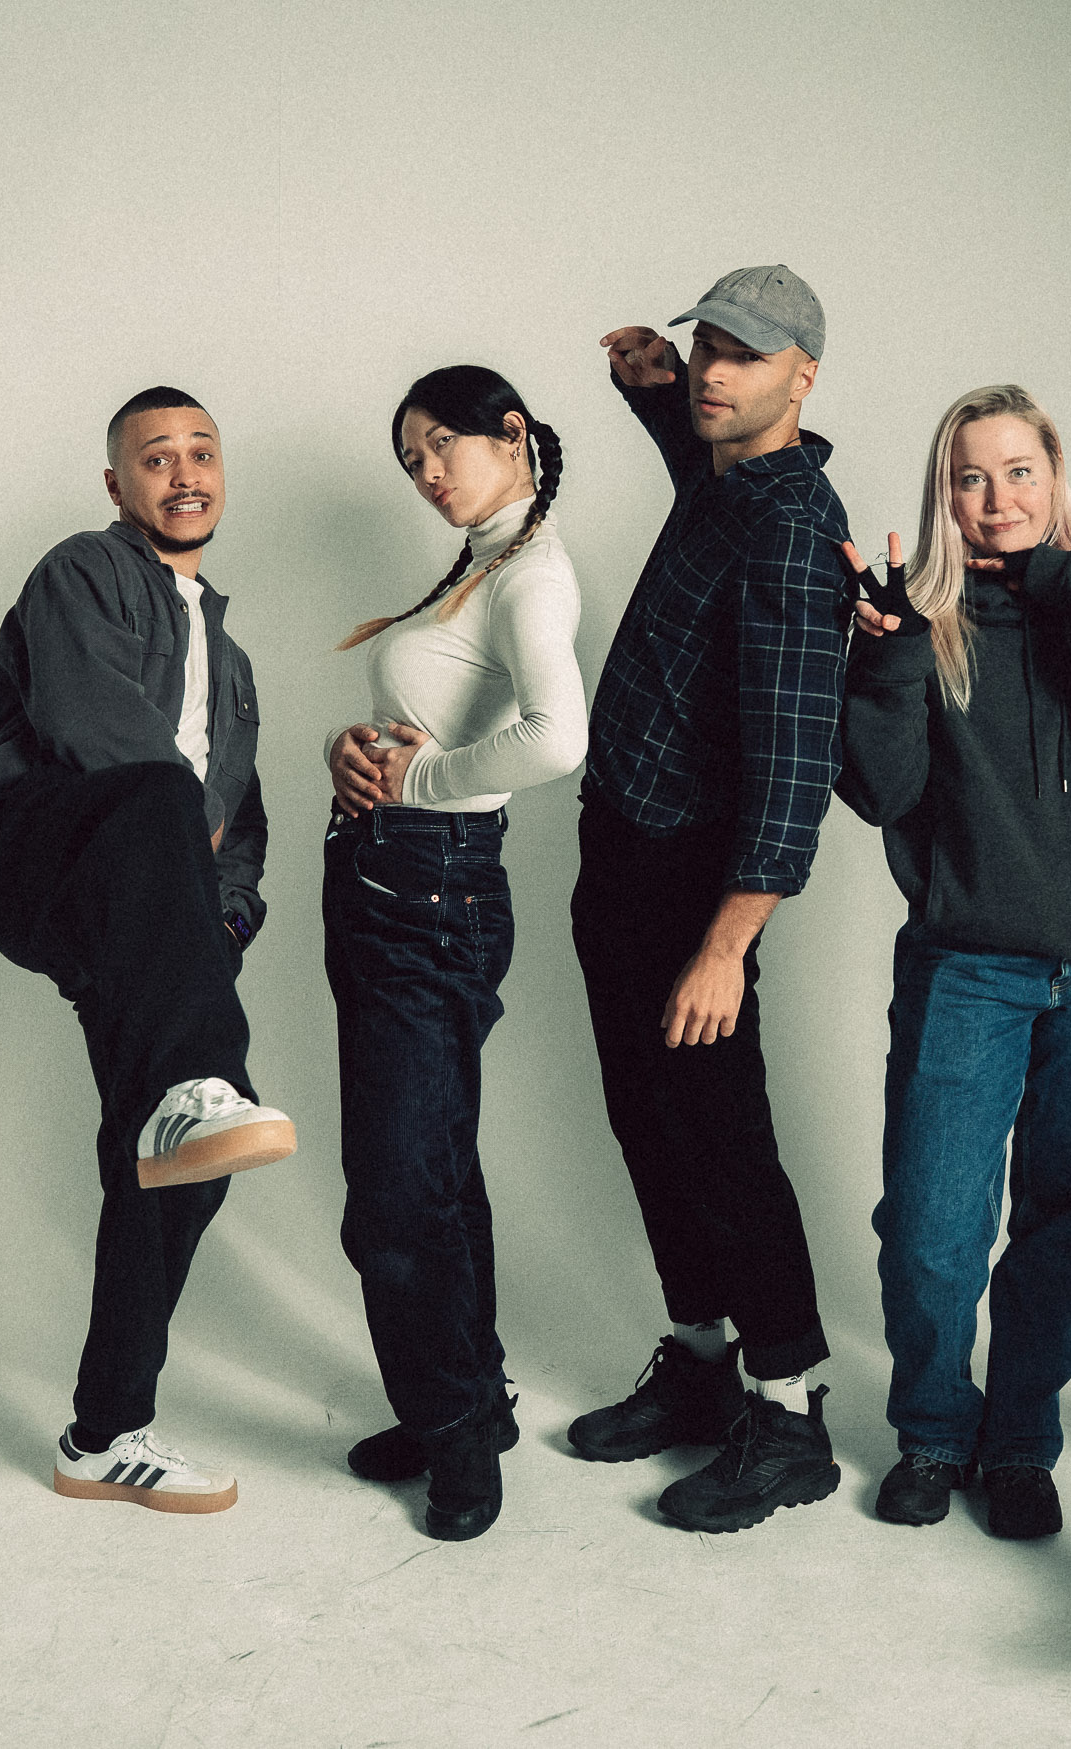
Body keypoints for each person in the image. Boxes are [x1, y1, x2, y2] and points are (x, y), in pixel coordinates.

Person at [837, 385, 1071, 1540]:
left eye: (1019, 472)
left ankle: (1022, 1444)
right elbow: (880, 793)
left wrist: (1066, 585)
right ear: (945, 495)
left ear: (1056, 477)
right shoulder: (917, 627)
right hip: (966, 968)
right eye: (970, 478)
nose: (997, 499)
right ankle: (933, 1432)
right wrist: (884, 660)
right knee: (934, 1228)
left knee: (1058, 1225)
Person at [0, 386, 295, 1515]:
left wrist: (225, 919)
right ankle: (201, 1078)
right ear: (117, 485)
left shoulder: (231, 660)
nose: (184, 474)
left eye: (202, 453)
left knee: (176, 1167)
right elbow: (96, 732)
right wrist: (189, 877)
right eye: (156, 458)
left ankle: (104, 1434)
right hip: (37, 848)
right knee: (153, 787)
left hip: (149, 914)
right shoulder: (82, 573)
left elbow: (243, 823)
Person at [568, 266, 851, 1533]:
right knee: (648, 1120)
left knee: (725, 1143)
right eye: (705, 350)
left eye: (746, 354)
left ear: (805, 374)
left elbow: (795, 768)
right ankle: (699, 1366)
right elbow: (697, 449)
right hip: (623, 858)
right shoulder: (732, 484)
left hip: (698, 888)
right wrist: (649, 396)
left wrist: (726, 947)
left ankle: (788, 1415)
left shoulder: (797, 528)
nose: (715, 371)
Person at [320, 365, 584, 1541]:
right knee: (432, 1174)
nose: (425, 474)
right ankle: (462, 1406)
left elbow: (555, 738)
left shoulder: (532, 573)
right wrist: (356, 749)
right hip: (383, 880)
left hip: (430, 889)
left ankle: (461, 1432)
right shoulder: (480, 559)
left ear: (511, 433)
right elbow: (432, 707)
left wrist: (417, 781)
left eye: (439, 447)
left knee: (393, 1198)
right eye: (410, 460)